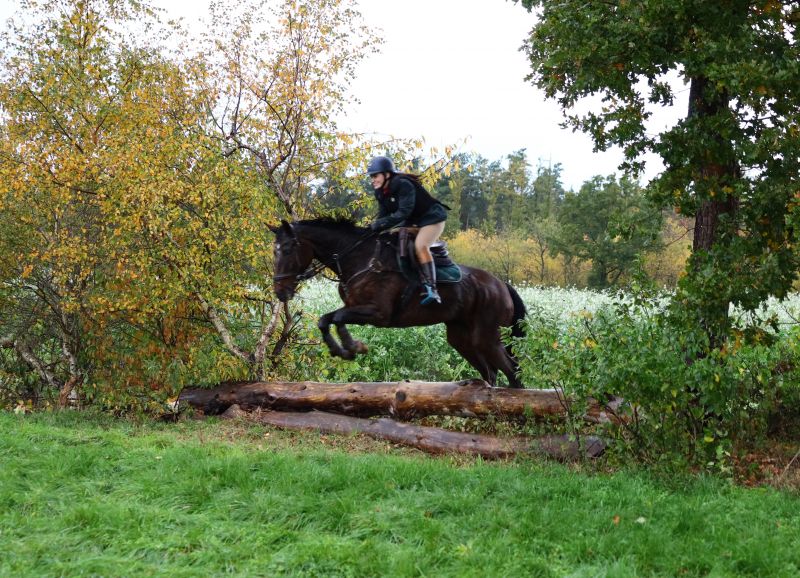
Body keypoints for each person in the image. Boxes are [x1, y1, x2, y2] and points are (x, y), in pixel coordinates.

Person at [367, 155, 449, 305]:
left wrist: (378, 224)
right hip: (413, 222)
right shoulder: (380, 193)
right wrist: (371, 231)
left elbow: (403, 212)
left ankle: (432, 288)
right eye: (371, 177)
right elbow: (383, 217)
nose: (373, 180)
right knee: (389, 239)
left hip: (432, 218)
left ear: (387, 174)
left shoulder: (403, 184)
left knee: (420, 246)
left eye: (375, 176)